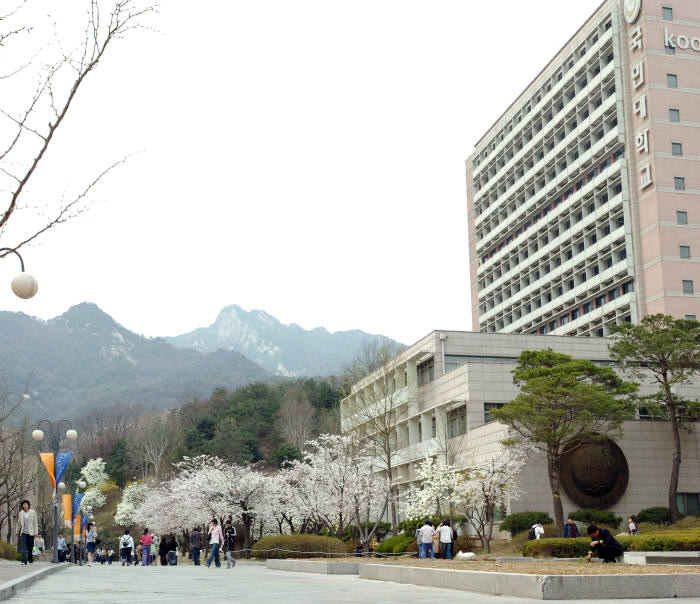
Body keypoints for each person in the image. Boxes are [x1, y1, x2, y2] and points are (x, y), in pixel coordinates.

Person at [16, 499, 38, 565]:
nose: (25, 505)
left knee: (30, 547)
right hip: (23, 532)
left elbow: (35, 523)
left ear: (28, 505)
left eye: (26, 504)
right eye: (23, 504)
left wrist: (36, 533)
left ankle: (30, 560)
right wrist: (17, 531)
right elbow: (19, 523)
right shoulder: (20, 513)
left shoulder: (33, 512)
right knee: (23, 547)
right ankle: (23, 561)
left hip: (31, 532)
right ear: (22, 506)